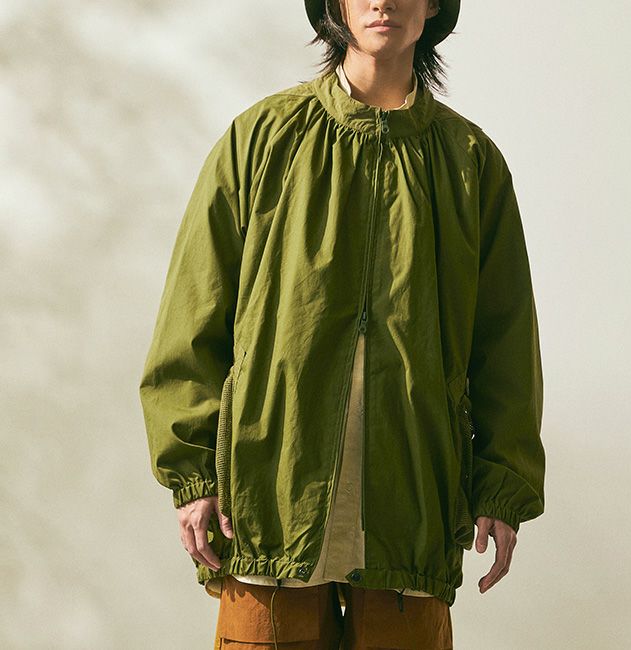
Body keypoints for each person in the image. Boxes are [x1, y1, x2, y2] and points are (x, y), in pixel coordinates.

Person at [139, 0, 546, 647]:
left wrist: (502, 484)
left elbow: (506, 344)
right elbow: (191, 320)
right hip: (269, 505)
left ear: (433, 5)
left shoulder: (470, 163)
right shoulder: (262, 139)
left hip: (412, 512)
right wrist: (192, 476)